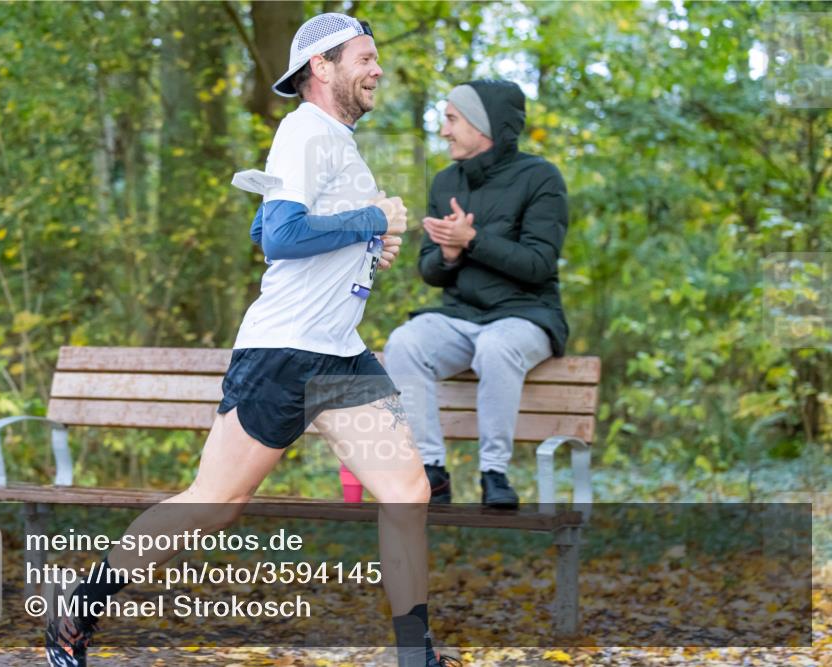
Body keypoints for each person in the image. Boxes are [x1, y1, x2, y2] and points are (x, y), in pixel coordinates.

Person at [44, 14, 459, 667]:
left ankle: (417, 655)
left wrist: (363, 246)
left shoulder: (335, 142)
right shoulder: (304, 132)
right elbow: (279, 235)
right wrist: (372, 217)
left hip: (340, 353)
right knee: (214, 503)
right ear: (321, 67)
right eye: (365, 57)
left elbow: (265, 233)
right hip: (283, 354)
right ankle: (78, 608)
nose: (377, 68)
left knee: (407, 491)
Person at [384, 79, 570, 509]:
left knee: (495, 345)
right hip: (463, 317)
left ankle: (494, 474)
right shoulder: (447, 181)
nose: (444, 130)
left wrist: (472, 241)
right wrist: (448, 255)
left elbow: (539, 264)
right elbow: (429, 271)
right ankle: (431, 472)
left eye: (452, 120)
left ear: (483, 126)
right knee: (405, 342)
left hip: (527, 317)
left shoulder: (541, 178)